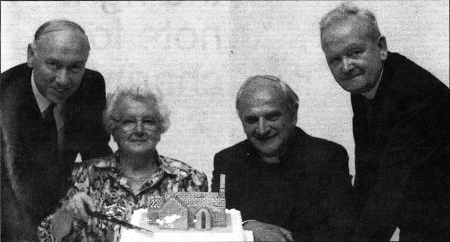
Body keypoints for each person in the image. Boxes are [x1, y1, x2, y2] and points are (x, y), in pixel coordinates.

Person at [320, 2, 450, 241]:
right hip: (423, 214)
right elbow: (368, 173)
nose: (346, 66)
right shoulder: (366, 83)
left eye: (355, 52)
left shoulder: (416, 97)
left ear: (381, 47)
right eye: (335, 60)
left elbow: (388, 193)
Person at [37, 85, 208, 241]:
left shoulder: (190, 180)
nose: (139, 130)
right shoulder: (84, 175)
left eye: (148, 121)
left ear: (160, 129)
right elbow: (46, 237)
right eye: (128, 122)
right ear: (113, 129)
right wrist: (66, 213)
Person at [1, 19, 112, 241]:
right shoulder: (5, 98)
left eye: (75, 67)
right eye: (53, 65)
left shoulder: (91, 85)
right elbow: (12, 196)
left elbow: (97, 155)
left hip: (62, 207)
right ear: (31, 55)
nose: (63, 80)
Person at [211, 75, 355, 241]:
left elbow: (342, 229)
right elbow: (215, 219)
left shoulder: (328, 157)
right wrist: (246, 227)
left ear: (293, 114)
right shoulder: (228, 160)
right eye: (251, 120)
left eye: (272, 117)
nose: (262, 129)